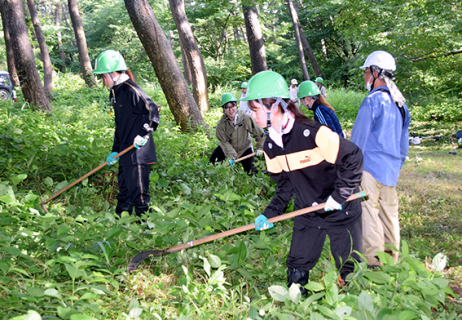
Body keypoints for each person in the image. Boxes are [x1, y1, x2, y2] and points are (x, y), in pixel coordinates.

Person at [242, 71, 363, 293]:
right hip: (308, 210)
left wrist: (340, 195)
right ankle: (298, 306)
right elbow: (285, 187)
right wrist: (270, 213)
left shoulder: (313, 133)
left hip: (340, 208)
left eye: (255, 109)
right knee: (296, 269)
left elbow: (353, 156)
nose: (252, 116)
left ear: (273, 106)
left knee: (351, 269)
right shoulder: (270, 147)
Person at [350, 50, 411, 267]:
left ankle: (374, 262)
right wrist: (396, 164)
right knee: (389, 214)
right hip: (391, 169)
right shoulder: (401, 105)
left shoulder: (373, 101)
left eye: (366, 72)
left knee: (369, 212)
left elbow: (358, 139)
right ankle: (391, 260)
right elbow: (404, 144)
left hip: (370, 167)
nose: (365, 77)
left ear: (376, 73)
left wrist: (349, 168)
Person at [92, 50, 160, 217]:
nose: (102, 80)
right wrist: (115, 150)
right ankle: (121, 223)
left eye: (103, 76)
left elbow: (152, 110)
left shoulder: (131, 90)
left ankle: (144, 227)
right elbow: (120, 126)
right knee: (124, 190)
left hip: (138, 151)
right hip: (125, 150)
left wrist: (143, 134)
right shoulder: (115, 93)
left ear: (113, 73)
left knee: (139, 192)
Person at [209, 92, 265, 175]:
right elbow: (224, 142)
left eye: (232, 106)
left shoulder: (246, 118)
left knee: (252, 172)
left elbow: (259, 133)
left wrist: (260, 147)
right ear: (223, 109)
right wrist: (231, 156)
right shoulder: (221, 124)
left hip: (245, 148)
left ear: (236, 106)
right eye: (227, 108)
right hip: (229, 148)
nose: (230, 110)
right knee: (211, 163)